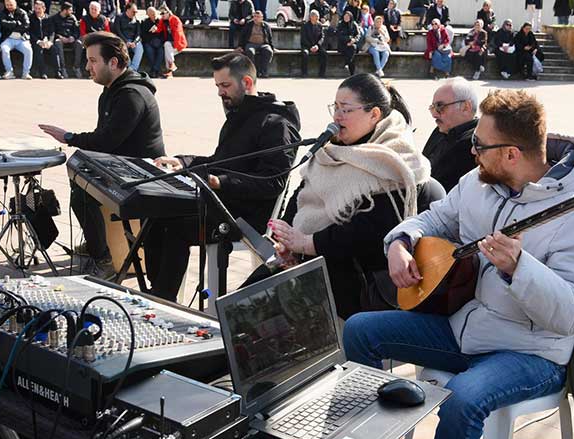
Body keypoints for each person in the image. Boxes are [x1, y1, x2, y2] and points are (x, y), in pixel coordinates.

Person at [344, 88, 574, 439]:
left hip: (531, 352)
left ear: (511, 154)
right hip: (466, 328)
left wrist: (519, 269)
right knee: (360, 329)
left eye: (479, 145)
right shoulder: (479, 182)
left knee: (461, 398)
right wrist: (400, 242)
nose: (472, 152)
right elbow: (434, 218)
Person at [266, 73, 439, 319]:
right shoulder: (330, 152)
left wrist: (306, 244)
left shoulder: (396, 161)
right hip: (316, 268)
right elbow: (302, 197)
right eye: (335, 108)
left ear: (374, 114)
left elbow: (370, 232)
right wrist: (286, 242)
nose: (337, 117)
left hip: (359, 286)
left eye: (346, 110)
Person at [147, 52, 300, 302]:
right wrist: (184, 161)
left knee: (173, 226)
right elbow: (222, 161)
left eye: (225, 85)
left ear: (247, 83)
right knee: (156, 211)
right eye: (218, 85)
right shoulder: (241, 114)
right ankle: (159, 292)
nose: (220, 92)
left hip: (244, 215)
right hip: (222, 201)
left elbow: (274, 181)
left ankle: (163, 298)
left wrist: (221, 182)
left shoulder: (277, 124)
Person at [39, 31, 166, 280]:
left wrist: (70, 138)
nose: (88, 66)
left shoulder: (131, 95)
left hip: (142, 174)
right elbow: (104, 139)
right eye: (88, 60)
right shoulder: (111, 90)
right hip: (124, 163)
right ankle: (96, 241)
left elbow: (106, 141)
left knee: (82, 193)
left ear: (114, 63)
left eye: (93, 60)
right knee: (80, 177)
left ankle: (103, 260)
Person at [422, 77, 478, 192]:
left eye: (440, 106)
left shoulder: (476, 142)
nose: (434, 114)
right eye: (433, 107)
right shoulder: (441, 129)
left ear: (465, 107)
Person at [0, 0, 33, 79]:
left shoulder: (22, 12)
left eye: (11, 5)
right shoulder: (2, 13)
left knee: (28, 50)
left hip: (21, 38)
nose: (9, 7)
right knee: (4, 49)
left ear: (15, 4)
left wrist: (12, 26)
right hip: (8, 38)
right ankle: (9, 72)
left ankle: (26, 73)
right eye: (7, 5)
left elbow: (26, 25)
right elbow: (3, 23)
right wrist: (16, 23)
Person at [237, 10, 272, 78]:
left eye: (258, 17)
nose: (255, 18)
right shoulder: (249, 24)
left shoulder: (266, 26)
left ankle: (263, 71)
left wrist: (272, 47)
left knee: (268, 51)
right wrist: (240, 46)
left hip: (263, 44)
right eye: (254, 16)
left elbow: (270, 37)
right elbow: (242, 35)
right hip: (251, 44)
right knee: (250, 51)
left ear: (262, 18)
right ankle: (253, 72)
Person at [51, 1, 82, 78]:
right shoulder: (54, 18)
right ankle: (63, 68)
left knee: (79, 43)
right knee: (58, 43)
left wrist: (73, 37)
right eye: (70, 10)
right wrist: (60, 37)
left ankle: (76, 67)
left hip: (71, 39)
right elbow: (52, 31)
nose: (72, 12)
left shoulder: (72, 18)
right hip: (60, 39)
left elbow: (77, 31)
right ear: (64, 10)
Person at [156, 5, 186, 76]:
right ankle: (171, 68)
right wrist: (155, 30)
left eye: (163, 13)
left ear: (168, 12)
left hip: (178, 44)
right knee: (167, 46)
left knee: (167, 49)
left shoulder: (175, 19)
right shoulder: (162, 21)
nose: (161, 15)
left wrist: (176, 46)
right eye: (160, 14)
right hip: (170, 44)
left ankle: (169, 70)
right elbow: (159, 29)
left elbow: (178, 33)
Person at [112, 2, 143, 72]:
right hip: (122, 40)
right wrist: (126, 41)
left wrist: (134, 42)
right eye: (133, 11)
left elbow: (138, 34)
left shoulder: (136, 20)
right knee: (123, 48)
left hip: (133, 41)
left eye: (136, 12)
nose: (135, 13)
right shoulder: (119, 17)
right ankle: (128, 67)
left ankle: (133, 69)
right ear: (128, 10)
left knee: (140, 48)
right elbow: (117, 31)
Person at [28, 0, 53, 78]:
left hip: (46, 41)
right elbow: (30, 32)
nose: (37, 11)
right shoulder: (31, 18)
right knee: (39, 50)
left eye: (39, 9)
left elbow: (52, 32)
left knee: (55, 50)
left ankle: (58, 71)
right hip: (35, 41)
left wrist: (50, 41)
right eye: (35, 8)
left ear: (44, 9)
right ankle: (43, 72)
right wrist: (38, 41)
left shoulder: (49, 18)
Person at [300, 10, 325, 77]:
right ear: (311, 17)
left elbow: (322, 37)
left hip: (317, 45)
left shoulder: (319, 25)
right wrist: (310, 47)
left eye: (318, 17)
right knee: (305, 53)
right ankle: (304, 73)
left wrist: (317, 45)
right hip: (307, 45)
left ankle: (321, 73)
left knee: (324, 53)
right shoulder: (305, 26)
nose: (317, 18)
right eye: (316, 16)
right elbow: (303, 39)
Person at [140, 6, 162, 78]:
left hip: (158, 42)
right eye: (152, 14)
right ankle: (156, 71)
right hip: (149, 42)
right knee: (149, 51)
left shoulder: (160, 21)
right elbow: (143, 35)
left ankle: (154, 70)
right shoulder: (145, 22)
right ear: (148, 15)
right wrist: (150, 33)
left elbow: (163, 34)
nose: (154, 15)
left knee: (161, 52)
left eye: (155, 13)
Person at [336, 9, 358, 75]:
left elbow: (358, 34)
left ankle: (346, 63)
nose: (346, 18)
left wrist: (354, 40)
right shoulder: (340, 24)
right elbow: (339, 35)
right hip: (342, 45)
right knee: (352, 51)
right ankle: (349, 68)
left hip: (351, 44)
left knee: (352, 48)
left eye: (348, 17)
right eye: (345, 16)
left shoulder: (354, 24)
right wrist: (349, 40)